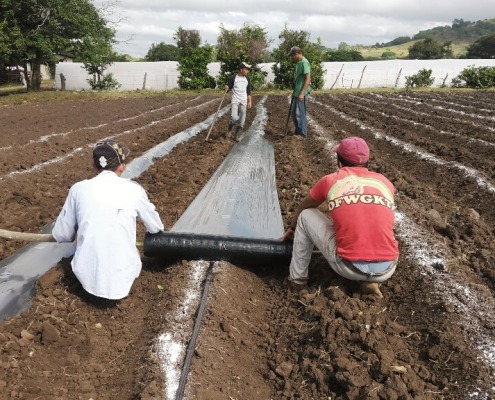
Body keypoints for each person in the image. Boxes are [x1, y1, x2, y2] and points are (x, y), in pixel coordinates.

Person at [280, 137, 399, 297]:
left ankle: (296, 280)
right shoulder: (385, 183)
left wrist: (292, 228)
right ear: (366, 163)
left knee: (306, 215)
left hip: (348, 267)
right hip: (388, 268)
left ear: (339, 163)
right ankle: (370, 281)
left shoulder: (331, 180)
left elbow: (304, 206)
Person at [52, 140, 164, 300]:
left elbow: (61, 234)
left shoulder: (78, 189)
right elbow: (156, 228)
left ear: (94, 167)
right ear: (122, 166)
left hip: (86, 280)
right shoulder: (134, 190)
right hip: (125, 277)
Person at [224, 62, 252, 141]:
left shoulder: (247, 79)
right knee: (234, 117)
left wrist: (249, 101)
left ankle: (237, 135)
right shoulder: (233, 78)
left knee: (242, 119)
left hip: (244, 101)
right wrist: (226, 87)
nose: (247, 71)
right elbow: (228, 87)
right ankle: (229, 130)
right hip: (235, 100)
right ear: (241, 70)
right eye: (246, 69)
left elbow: (248, 91)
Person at [288, 46, 311, 138]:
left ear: (297, 54)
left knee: (300, 113)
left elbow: (308, 79)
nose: (292, 58)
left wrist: (302, 93)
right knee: (294, 114)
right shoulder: (299, 63)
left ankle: (302, 134)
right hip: (297, 92)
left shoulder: (304, 63)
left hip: (302, 93)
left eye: (293, 55)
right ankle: (298, 132)